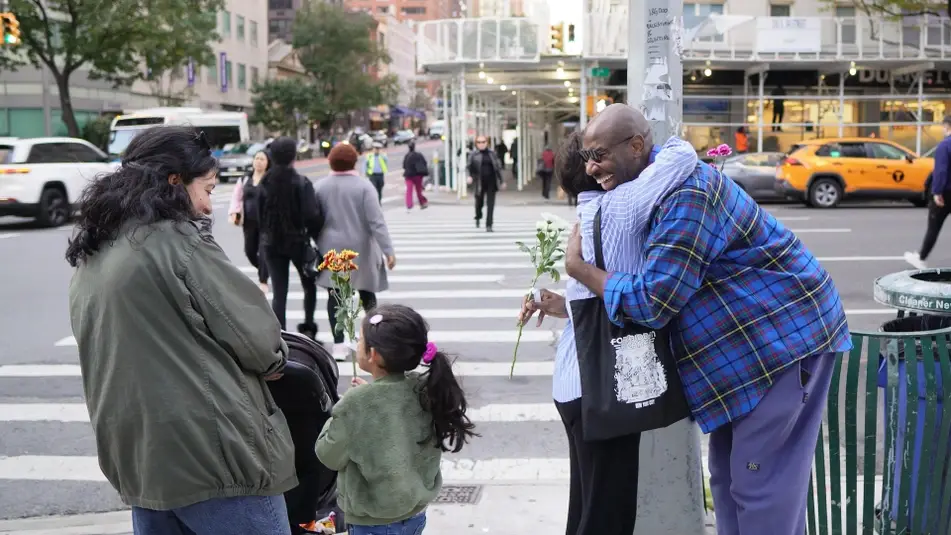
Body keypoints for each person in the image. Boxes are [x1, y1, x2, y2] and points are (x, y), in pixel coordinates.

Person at [560, 104, 851, 535]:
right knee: (728, 478)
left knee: (760, 486)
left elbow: (654, 299)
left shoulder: (687, 195)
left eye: (599, 154)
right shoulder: (652, 190)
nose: (591, 167)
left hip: (783, 343)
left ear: (637, 146)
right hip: (740, 356)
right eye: (587, 157)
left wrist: (581, 269)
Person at [65, 126, 296, 535]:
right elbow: (260, 342)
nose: (208, 206)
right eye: (206, 189)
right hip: (213, 458)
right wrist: (278, 360)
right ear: (174, 182)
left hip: (140, 459)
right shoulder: (181, 244)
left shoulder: (94, 252)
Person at [519, 126, 698, 535]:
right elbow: (682, 156)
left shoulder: (586, 216)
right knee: (608, 518)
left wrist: (562, 302)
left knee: (586, 507)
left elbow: (593, 299)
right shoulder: (620, 208)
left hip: (574, 383)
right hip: (603, 386)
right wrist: (638, 135)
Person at [316, 304, 477, 535]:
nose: (357, 345)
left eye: (360, 340)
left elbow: (328, 454)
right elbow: (392, 407)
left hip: (372, 522)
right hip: (415, 515)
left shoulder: (356, 404)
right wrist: (368, 396)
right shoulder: (426, 388)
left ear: (373, 354)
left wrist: (346, 410)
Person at [314, 143, 396, 362]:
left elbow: (312, 219)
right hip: (362, 249)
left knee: (335, 295)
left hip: (331, 249)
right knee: (367, 295)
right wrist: (388, 250)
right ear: (354, 161)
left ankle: (339, 344)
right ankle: (371, 342)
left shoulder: (320, 187)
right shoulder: (364, 187)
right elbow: (376, 222)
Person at [260, 136, 323, 338]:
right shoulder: (301, 182)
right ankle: (308, 327)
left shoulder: (265, 183)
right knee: (308, 286)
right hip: (297, 241)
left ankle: (281, 337)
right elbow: (312, 215)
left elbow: (258, 216)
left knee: (279, 292)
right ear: (293, 156)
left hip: (271, 243)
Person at [905, 114, 951, 269]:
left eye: (943, 126)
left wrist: (937, 192)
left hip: (946, 192)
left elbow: (941, 171)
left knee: (934, 226)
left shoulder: (945, 145)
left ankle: (921, 257)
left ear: (947, 126)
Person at [228, 149, 271, 293]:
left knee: (264, 250)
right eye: (256, 158)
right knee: (250, 252)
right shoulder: (245, 179)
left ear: (267, 163)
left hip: (266, 222)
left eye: (262, 159)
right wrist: (234, 212)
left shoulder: (270, 179)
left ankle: (263, 280)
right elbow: (236, 197)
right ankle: (266, 269)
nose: (258, 161)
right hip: (249, 222)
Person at [467, 135, 505, 232]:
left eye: (483, 142)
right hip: (479, 182)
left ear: (487, 143)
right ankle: (478, 215)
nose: (481, 144)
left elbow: (498, 168)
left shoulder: (492, 154)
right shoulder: (473, 154)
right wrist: (469, 176)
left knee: (490, 204)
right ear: (476, 144)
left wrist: (502, 181)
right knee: (479, 203)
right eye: (479, 142)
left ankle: (489, 225)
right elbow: (469, 167)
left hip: (491, 182)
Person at [402, 141, 429, 212]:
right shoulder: (419, 155)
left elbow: (404, 166)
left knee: (409, 190)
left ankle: (409, 204)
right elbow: (424, 163)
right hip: (418, 175)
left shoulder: (407, 156)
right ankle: (422, 202)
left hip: (408, 175)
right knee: (418, 191)